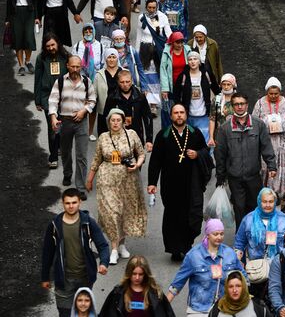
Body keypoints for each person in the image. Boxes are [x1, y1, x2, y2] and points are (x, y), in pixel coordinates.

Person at [148, 103, 214, 261]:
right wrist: (152, 182)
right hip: (170, 184)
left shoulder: (194, 133)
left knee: (190, 215)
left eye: (182, 112)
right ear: (171, 116)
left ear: (186, 115)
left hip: (191, 183)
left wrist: (197, 154)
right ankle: (174, 249)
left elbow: (206, 152)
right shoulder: (163, 135)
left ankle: (187, 245)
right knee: (172, 216)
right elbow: (155, 161)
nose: (179, 115)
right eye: (175, 113)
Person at [86, 109, 146, 265]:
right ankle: (113, 249)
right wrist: (90, 179)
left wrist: (137, 165)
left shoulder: (131, 134)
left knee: (124, 212)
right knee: (112, 212)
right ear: (108, 122)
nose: (115, 123)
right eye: (112, 120)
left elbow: (141, 153)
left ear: (123, 121)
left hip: (128, 179)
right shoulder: (103, 138)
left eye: (118, 120)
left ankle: (121, 245)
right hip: (107, 179)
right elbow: (96, 159)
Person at [41, 188, 109, 317]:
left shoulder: (88, 223)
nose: (71, 206)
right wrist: (45, 277)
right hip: (63, 278)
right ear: (63, 203)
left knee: (83, 313)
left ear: (79, 203)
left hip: (85, 278)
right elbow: (47, 252)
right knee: (65, 313)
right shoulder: (55, 225)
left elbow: (103, 245)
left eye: (74, 202)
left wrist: (104, 262)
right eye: (67, 203)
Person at [215, 93, 277, 229]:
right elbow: (220, 154)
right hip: (235, 178)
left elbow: (266, 147)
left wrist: (272, 166)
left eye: (242, 103)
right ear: (232, 107)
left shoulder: (258, 125)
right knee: (239, 208)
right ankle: (241, 241)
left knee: (255, 207)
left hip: (254, 176)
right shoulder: (225, 128)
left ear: (247, 105)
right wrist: (220, 177)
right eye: (236, 104)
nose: (239, 107)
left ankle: (255, 238)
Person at [167, 219, 244, 313]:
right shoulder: (193, 256)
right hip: (199, 308)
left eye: (222, 234)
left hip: (224, 308)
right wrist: (162, 308)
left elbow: (243, 278)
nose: (219, 237)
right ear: (207, 235)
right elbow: (177, 284)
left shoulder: (230, 253)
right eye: (215, 234)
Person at [48, 55, 96, 198]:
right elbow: (53, 100)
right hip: (65, 121)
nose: (75, 69)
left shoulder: (87, 82)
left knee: (81, 155)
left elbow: (92, 100)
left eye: (78, 66)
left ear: (81, 67)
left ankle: (80, 187)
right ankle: (67, 174)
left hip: (81, 122)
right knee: (66, 151)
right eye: (73, 66)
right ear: (67, 66)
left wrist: (84, 111)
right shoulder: (61, 81)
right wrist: (53, 116)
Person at [234, 187, 285, 299]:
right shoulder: (248, 219)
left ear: (275, 202)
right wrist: (239, 263)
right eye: (264, 201)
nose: (267, 205)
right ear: (259, 201)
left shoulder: (283, 220)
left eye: (271, 202)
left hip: (278, 269)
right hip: (256, 270)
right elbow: (239, 243)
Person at [252, 76, 285, 196]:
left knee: (283, 165)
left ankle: (284, 193)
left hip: (283, 141)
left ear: (280, 92)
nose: (273, 96)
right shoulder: (260, 103)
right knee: (266, 166)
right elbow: (254, 122)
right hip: (266, 140)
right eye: (271, 93)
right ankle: (267, 192)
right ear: (267, 92)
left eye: (276, 94)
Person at [99, 255, 176, 316]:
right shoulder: (117, 293)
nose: (137, 277)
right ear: (129, 273)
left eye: (141, 274)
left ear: (145, 274)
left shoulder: (155, 293)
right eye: (134, 274)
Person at [35, 33, 68, 169]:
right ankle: (53, 156)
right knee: (52, 127)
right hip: (47, 97)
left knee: (62, 124)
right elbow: (37, 78)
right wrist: (37, 100)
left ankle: (59, 146)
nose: (50, 48)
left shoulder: (66, 57)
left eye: (53, 45)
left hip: (64, 96)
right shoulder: (41, 58)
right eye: (47, 46)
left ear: (58, 44)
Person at [174, 51, 220, 143]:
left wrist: (216, 106)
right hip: (189, 115)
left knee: (206, 141)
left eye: (195, 59)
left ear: (199, 61)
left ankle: (207, 157)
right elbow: (176, 95)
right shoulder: (183, 76)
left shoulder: (207, 74)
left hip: (204, 115)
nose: (192, 61)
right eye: (190, 59)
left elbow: (217, 91)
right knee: (190, 141)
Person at [135, 0, 171, 116]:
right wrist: (136, 52)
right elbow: (139, 35)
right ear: (146, 7)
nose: (151, 10)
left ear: (157, 7)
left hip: (157, 50)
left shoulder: (162, 17)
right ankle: (146, 103)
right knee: (145, 76)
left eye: (153, 7)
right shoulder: (141, 18)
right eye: (149, 7)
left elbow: (168, 33)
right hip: (145, 50)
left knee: (155, 77)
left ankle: (154, 105)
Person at [103, 69, 153, 149]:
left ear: (132, 81)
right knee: (117, 161)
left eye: (127, 81)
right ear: (118, 82)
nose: (125, 84)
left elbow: (147, 118)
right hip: (116, 138)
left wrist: (149, 140)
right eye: (122, 82)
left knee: (138, 160)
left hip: (137, 136)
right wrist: (106, 139)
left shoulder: (140, 97)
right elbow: (105, 118)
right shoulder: (112, 97)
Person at [6, 0, 38, 76]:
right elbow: (9, 4)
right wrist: (7, 19)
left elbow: (35, 2)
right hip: (16, 14)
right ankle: (21, 65)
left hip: (29, 13)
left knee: (29, 37)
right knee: (18, 39)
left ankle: (28, 61)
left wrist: (37, 17)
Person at [208, 270, 273, 317]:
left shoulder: (258, 306)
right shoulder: (219, 307)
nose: (234, 290)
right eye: (231, 286)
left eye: (238, 286)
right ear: (226, 288)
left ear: (244, 287)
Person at [159, 31, 191, 127]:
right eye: (177, 42)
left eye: (182, 42)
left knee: (185, 108)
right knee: (170, 109)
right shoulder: (167, 52)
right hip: (172, 85)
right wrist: (165, 88)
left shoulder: (187, 50)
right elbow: (163, 70)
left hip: (185, 85)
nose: (180, 44)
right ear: (172, 42)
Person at [93, 47, 121, 137]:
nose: (111, 60)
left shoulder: (124, 72)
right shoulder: (99, 75)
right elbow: (94, 94)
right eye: (109, 57)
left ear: (117, 58)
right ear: (105, 59)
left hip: (121, 112)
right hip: (104, 112)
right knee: (104, 140)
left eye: (114, 57)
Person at [208, 73, 236, 148]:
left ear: (233, 85)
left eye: (228, 84)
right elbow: (212, 119)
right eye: (224, 84)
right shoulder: (217, 99)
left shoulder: (238, 99)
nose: (226, 87)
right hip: (220, 136)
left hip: (235, 135)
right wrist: (211, 137)